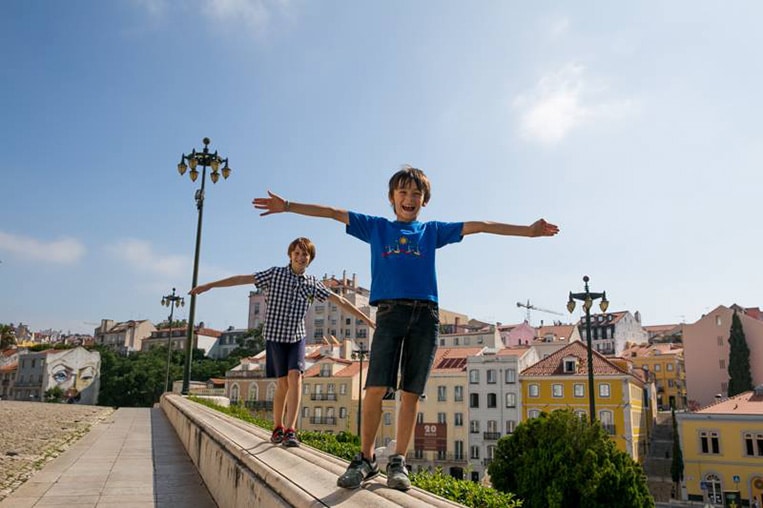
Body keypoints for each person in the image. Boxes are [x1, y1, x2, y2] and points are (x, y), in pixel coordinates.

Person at [253, 165, 559, 490]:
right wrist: (287, 206)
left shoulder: (431, 231)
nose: (409, 198)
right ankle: (366, 459)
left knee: (411, 393)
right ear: (392, 198)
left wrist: (528, 230)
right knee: (374, 389)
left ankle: (398, 461)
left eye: (416, 194)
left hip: (426, 316)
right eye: (403, 192)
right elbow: (332, 212)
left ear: (424, 201)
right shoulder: (377, 228)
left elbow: (480, 225)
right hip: (389, 314)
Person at [190, 237, 374, 448]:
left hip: (297, 336)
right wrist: (210, 285)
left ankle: (290, 430)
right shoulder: (275, 274)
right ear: (290, 255)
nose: (300, 257)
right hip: (275, 336)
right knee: (283, 383)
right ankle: (277, 427)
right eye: (297, 253)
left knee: (295, 377)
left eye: (305, 254)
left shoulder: (312, 283)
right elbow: (243, 279)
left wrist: (367, 319)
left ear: (310, 259)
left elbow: (339, 300)